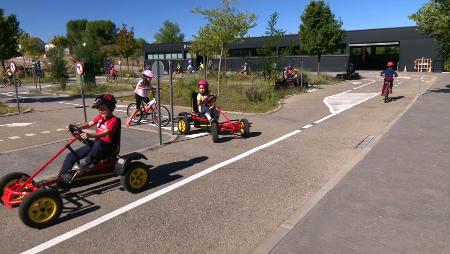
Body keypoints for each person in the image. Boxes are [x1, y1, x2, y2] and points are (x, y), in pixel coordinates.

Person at [60, 94, 120, 180]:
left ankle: (87, 164)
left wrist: (90, 135)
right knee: (71, 155)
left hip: (109, 147)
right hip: (97, 145)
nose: (100, 111)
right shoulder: (100, 117)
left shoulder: (114, 120)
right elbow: (89, 124)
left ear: (110, 107)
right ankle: (63, 174)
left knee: (98, 143)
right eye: (99, 109)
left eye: (102, 108)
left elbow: (104, 133)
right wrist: (77, 127)